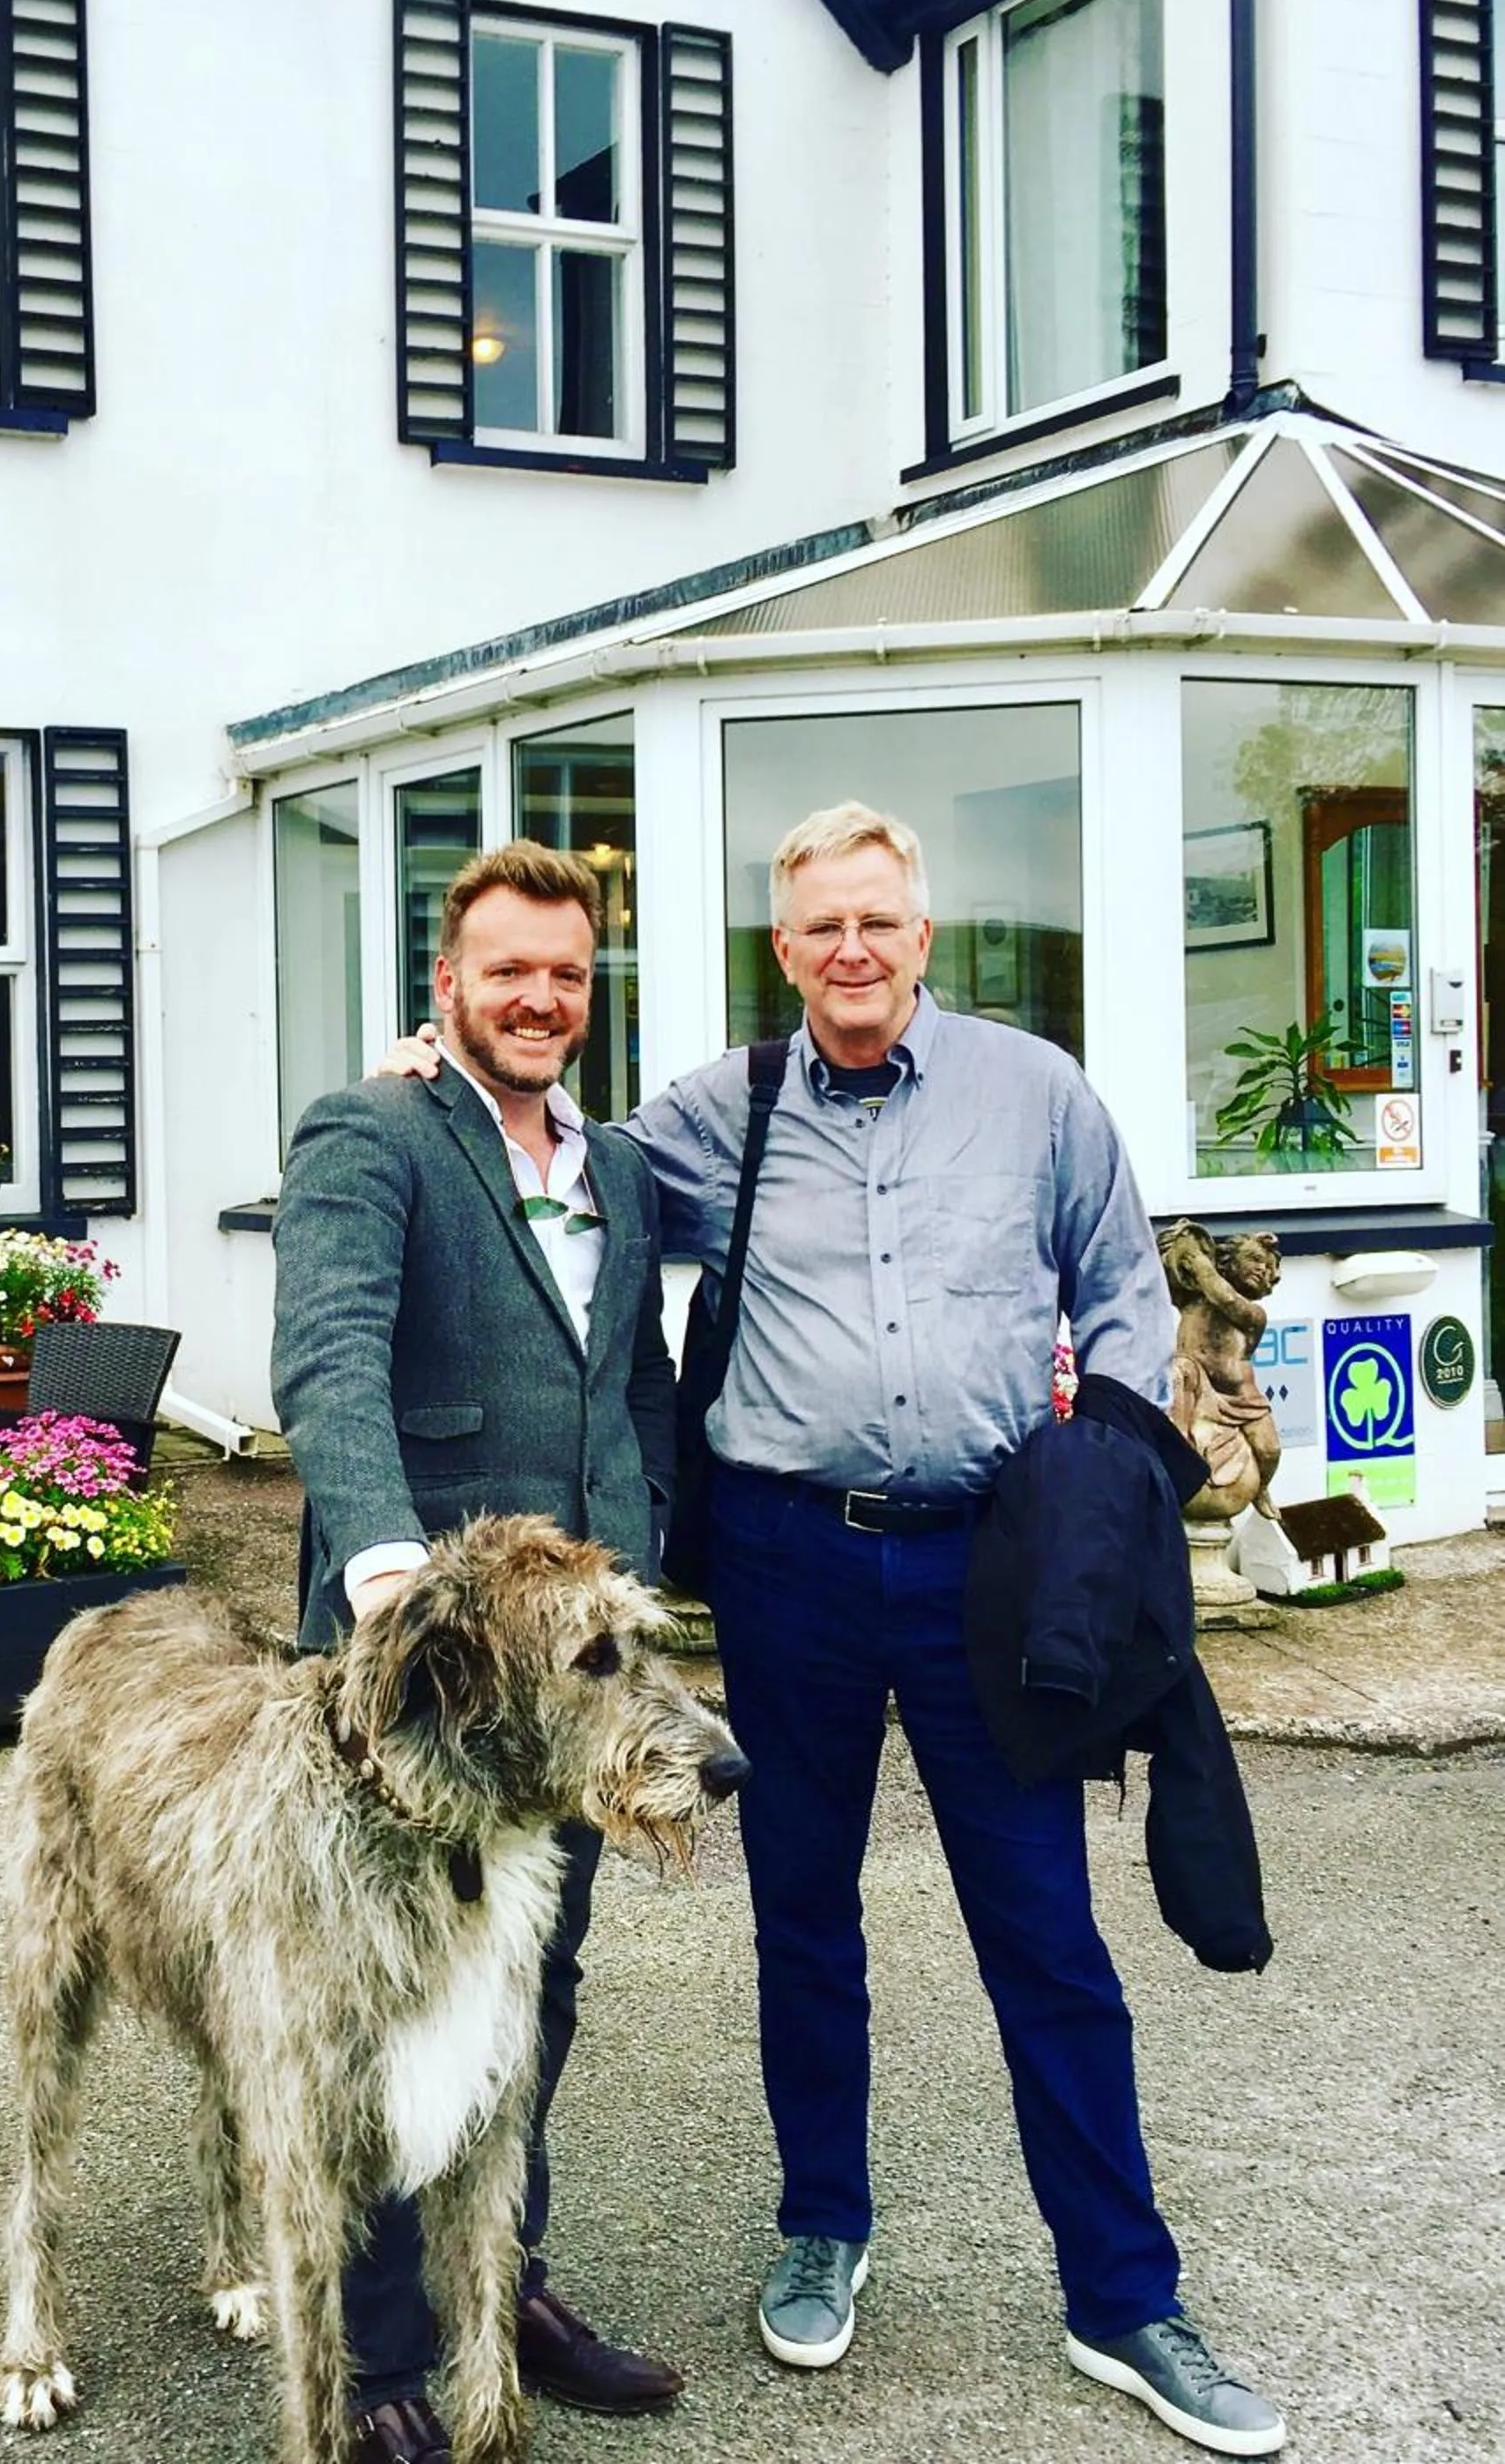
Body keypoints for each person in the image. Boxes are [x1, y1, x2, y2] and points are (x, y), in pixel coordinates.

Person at [377, 801, 1283, 2458]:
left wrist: (1112, 1483)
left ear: (919, 937)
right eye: (819, 929)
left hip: (988, 1572)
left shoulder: (1039, 1096)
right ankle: (822, 2225)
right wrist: (437, 1079)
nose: (851, 950)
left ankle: (1125, 2298)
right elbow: (556, 1174)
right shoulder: (719, 1111)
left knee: (1046, 1935)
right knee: (804, 1919)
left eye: (879, 921)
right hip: (792, 1569)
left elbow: (1123, 1298)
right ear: (781, 952)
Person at [272, 838, 683, 2464]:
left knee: (533, 1989)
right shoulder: (370, 1130)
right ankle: (371, 2358)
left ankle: (499, 2292)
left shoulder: (625, 1166)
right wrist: (384, 1567)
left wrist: (642, 1588)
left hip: (565, 1682)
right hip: (421, 1679)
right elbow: (326, 1354)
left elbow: (628, 1388)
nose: (540, 998)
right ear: (448, 983)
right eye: (507, 969)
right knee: (382, 2005)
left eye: (567, 974)